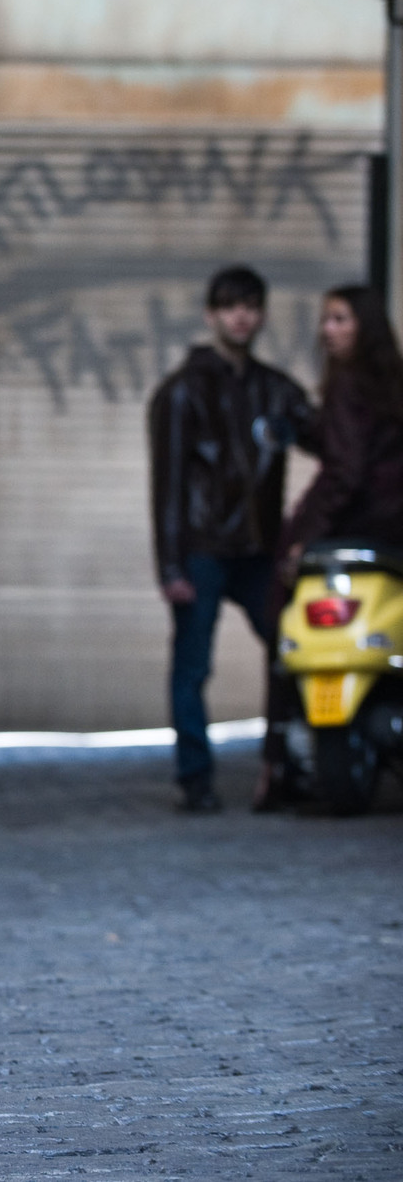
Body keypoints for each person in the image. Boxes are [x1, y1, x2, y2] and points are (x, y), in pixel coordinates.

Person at [147, 266, 310, 813]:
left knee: (293, 648)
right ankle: (195, 779)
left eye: (250, 306)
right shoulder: (181, 393)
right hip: (202, 548)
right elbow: (167, 485)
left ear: (262, 314)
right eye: (230, 306)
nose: (241, 316)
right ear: (211, 315)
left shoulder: (275, 390)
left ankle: (284, 765)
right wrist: (170, 567)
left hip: (257, 549)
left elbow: (329, 436)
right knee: (193, 666)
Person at [280, 283, 403, 570]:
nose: (327, 330)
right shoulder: (390, 381)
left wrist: (308, 536)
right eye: (325, 320)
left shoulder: (348, 383)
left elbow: (346, 470)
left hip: (354, 526)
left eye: (339, 319)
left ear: (365, 325)